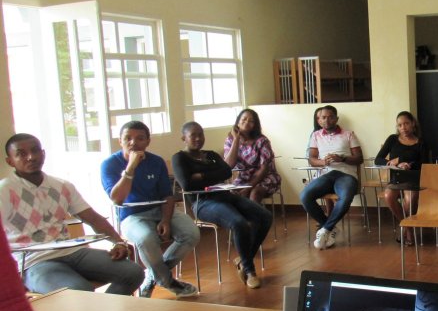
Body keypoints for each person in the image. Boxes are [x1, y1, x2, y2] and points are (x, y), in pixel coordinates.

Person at [1, 134, 144, 295]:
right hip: (33, 261)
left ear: (43, 153)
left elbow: (93, 218)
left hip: (72, 252)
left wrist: (119, 242)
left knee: (133, 272)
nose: (31, 157)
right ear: (10, 161)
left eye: (35, 151)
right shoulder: (5, 190)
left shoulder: (62, 186)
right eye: (21, 153)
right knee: (79, 291)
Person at [101, 121, 199, 298]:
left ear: (147, 141)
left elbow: (168, 196)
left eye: (139, 138)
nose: (133, 143)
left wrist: (166, 220)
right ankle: (167, 281)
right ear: (120, 141)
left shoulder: (156, 161)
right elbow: (117, 198)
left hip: (160, 210)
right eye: (128, 138)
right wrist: (130, 167)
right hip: (131, 216)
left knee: (191, 233)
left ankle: (153, 275)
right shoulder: (109, 164)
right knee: (147, 239)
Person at [172, 122, 272, 289]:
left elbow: (226, 172)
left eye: (200, 134)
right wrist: (211, 175)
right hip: (203, 202)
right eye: (193, 135)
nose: (198, 139)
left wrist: (200, 176)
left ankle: (243, 259)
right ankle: (249, 271)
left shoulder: (210, 154)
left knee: (265, 216)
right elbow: (187, 184)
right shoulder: (179, 158)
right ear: (184, 138)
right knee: (238, 223)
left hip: (225, 195)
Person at [301, 105, 363, 250]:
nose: (327, 120)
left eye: (330, 117)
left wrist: (342, 158)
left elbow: (359, 158)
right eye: (323, 117)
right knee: (305, 196)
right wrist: (323, 162)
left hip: (346, 175)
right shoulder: (316, 135)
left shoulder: (349, 134)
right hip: (326, 175)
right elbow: (311, 159)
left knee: (346, 196)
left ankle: (325, 229)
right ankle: (329, 227)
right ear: (319, 120)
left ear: (336, 118)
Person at [374, 111, 429, 245]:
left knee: (410, 200)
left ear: (413, 124)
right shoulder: (392, 139)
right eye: (400, 125)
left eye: (406, 124)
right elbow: (378, 159)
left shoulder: (421, 142)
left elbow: (425, 164)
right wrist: (392, 163)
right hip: (396, 179)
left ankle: (405, 229)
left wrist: (403, 161)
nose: (403, 127)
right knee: (388, 196)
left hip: (413, 178)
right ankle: (408, 228)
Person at [223, 108, 281, 204]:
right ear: (238, 122)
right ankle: (241, 219)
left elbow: (264, 169)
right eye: (244, 119)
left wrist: (249, 187)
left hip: (266, 177)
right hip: (244, 178)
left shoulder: (262, 141)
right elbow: (229, 165)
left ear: (255, 125)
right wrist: (236, 140)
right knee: (232, 195)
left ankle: (255, 219)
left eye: (251, 121)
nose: (247, 122)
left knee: (255, 193)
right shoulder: (230, 140)